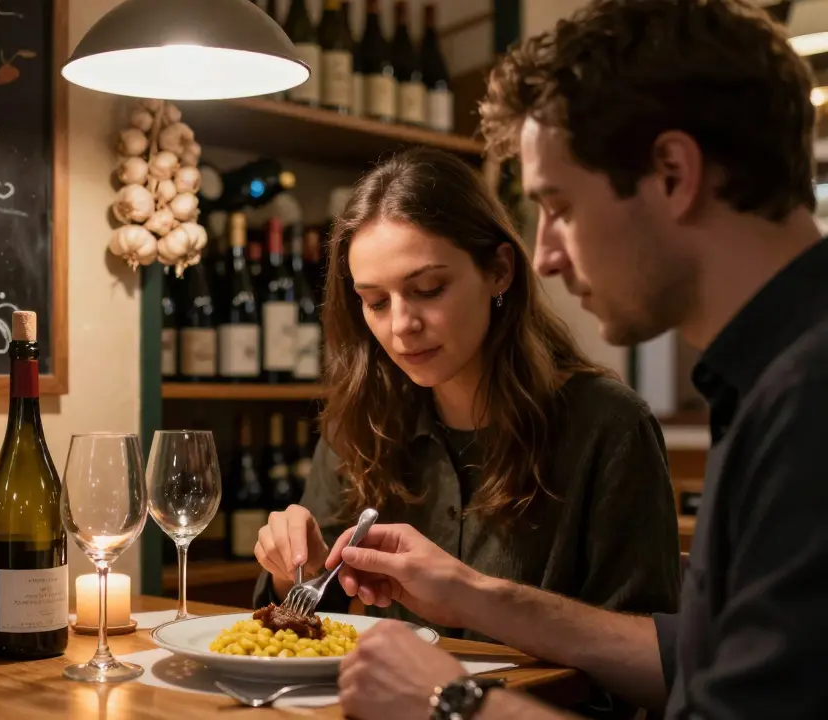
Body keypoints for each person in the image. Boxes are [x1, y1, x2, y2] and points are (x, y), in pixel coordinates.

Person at [330, 1, 828, 719]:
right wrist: (473, 595)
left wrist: (450, 702)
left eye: (559, 206)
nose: (547, 256)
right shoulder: (769, 381)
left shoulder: (808, 403)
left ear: (672, 172)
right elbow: (696, 658)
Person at [250, 145, 681, 645]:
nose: (401, 326)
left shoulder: (608, 426)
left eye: (429, 289)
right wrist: (291, 571)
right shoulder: (362, 421)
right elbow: (305, 626)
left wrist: (477, 596)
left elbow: (653, 659)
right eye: (375, 302)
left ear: (499, 270)